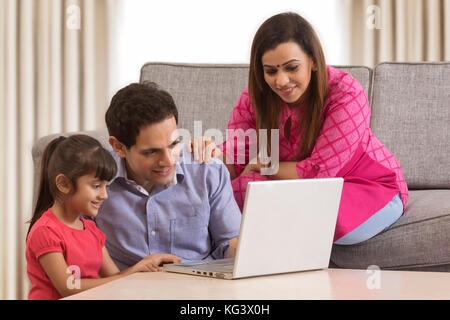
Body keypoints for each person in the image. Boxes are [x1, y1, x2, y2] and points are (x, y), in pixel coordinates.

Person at [189, 12, 408, 245]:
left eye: (291, 68)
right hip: (297, 187)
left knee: (309, 214)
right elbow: (235, 157)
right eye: (271, 71)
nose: (281, 81)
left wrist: (267, 167)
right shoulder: (257, 96)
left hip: (367, 187)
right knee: (240, 189)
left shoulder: (346, 92)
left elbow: (317, 173)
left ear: (313, 60)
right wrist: (209, 157)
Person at [94, 82, 241, 270]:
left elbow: (228, 244)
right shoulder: (93, 178)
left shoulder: (208, 172)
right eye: (151, 152)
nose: (168, 161)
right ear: (119, 147)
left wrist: (246, 248)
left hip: (197, 286)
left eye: (173, 144)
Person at [26, 135, 181, 300]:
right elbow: (68, 287)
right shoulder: (46, 231)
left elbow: (114, 276)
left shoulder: (91, 229)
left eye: (106, 186)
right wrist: (128, 275)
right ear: (64, 184)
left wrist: (142, 265)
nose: (104, 195)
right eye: (96, 186)